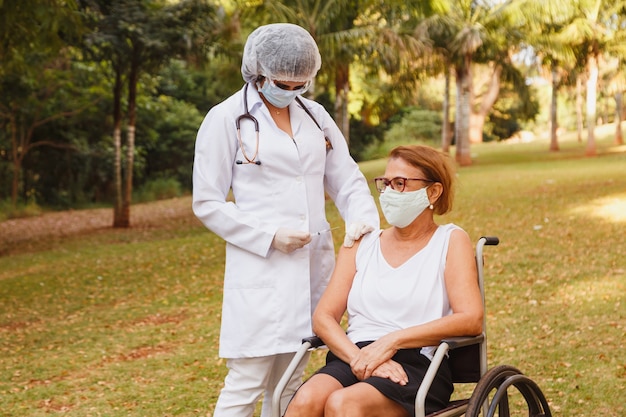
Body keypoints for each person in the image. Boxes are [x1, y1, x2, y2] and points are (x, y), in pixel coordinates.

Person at [191, 23, 380, 417]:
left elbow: (345, 177)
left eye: (301, 83)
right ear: (258, 71)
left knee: (293, 380)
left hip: (313, 266)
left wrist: (363, 221)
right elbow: (207, 201)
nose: (292, 91)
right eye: (282, 82)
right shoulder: (226, 118)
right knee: (246, 381)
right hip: (260, 267)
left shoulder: (315, 116)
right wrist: (269, 235)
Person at [283, 145, 483, 417]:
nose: (389, 192)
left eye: (400, 184)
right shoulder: (361, 243)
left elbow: (470, 318)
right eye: (385, 183)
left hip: (417, 361)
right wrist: (363, 359)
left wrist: (392, 341)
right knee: (306, 400)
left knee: (343, 404)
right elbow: (323, 317)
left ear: (432, 191)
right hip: (355, 355)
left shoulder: (449, 240)